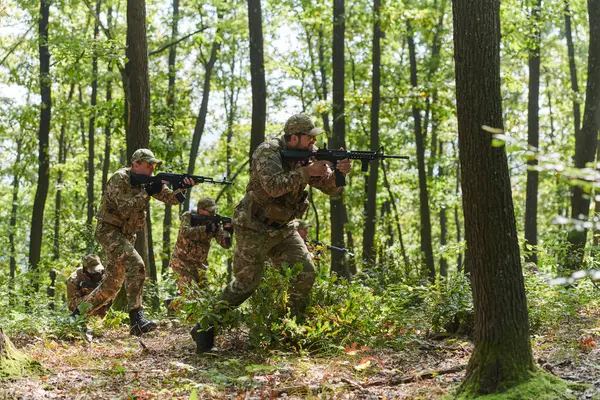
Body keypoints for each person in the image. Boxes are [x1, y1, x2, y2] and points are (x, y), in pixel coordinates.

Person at [190, 113, 352, 352]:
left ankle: (292, 331)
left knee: (306, 273)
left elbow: (330, 189)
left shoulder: (307, 157)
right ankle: (204, 326)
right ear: (295, 137)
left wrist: (340, 173)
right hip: (253, 227)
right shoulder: (268, 151)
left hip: (284, 229)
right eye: (309, 139)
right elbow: (273, 186)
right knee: (246, 284)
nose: (313, 144)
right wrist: (308, 172)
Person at [77, 148, 196, 335]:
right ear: (136, 164)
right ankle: (137, 319)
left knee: (110, 286)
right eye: (148, 165)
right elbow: (124, 209)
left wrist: (182, 188)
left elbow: (171, 200)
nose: (152, 170)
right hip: (109, 230)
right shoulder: (120, 178)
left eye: (154, 166)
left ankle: (76, 316)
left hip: (125, 235)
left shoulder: (148, 181)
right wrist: (147, 192)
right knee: (137, 264)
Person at [170, 197, 233, 294]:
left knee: (206, 297)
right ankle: (173, 306)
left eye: (214, 210)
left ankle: (173, 305)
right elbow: (185, 232)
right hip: (182, 263)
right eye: (210, 211)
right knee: (190, 295)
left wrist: (228, 231)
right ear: (201, 210)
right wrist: (206, 229)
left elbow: (225, 245)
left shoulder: (214, 223)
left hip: (199, 267)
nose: (213, 213)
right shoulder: (189, 216)